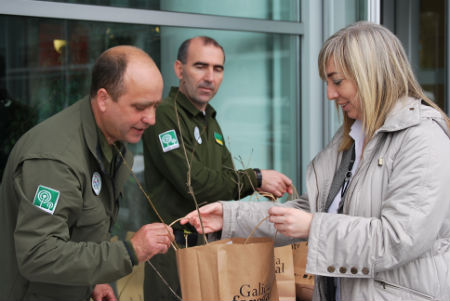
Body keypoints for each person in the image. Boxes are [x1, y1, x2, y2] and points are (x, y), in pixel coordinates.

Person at [181, 22, 450, 300]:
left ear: (370, 74)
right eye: (327, 83)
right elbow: (310, 211)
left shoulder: (424, 140)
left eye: (337, 81)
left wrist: (313, 227)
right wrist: (230, 217)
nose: (330, 95)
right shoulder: (353, 137)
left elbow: (397, 239)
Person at [0, 45, 174, 301]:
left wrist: (92, 281)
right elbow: (37, 254)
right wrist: (130, 251)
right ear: (103, 99)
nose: (151, 119)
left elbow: (81, 231)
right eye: (140, 107)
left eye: (155, 106)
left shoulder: (111, 142)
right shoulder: (56, 158)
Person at [142, 36, 293, 300]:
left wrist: (247, 184)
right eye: (200, 66)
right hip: (174, 252)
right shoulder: (164, 115)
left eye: (218, 68)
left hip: (211, 249)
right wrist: (256, 178)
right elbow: (193, 184)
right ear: (179, 69)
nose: (210, 77)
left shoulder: (209, 120)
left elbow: (224, 183)